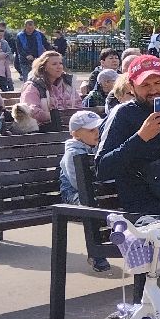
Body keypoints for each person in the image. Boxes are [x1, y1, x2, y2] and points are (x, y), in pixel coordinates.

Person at [95, 55, 160, 217]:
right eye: (145, 85)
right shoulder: (123, 114)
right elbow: (102, 169)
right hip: (145, 208)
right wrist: (141, 137)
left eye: (158, 83)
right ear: (132, 87)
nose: (153, 90)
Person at [58, 108, 111, 273]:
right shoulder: (73, 153)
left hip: (93, 192)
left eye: (97, 129)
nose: (96, 133)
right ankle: (96, 253)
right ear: (76, 134)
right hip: (74, 195)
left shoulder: (96, 147)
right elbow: (77, 183)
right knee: (92, 206)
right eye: (91, 130)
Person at [20, 51, 83, 129]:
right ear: (44, 67)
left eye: (60, 63)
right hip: (43, 131)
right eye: (54, 64)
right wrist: (58, 116)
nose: (59, 66)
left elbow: (78, 104)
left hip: (71, 127)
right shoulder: (33, 86)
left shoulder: (67, 83)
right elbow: (32, 111)